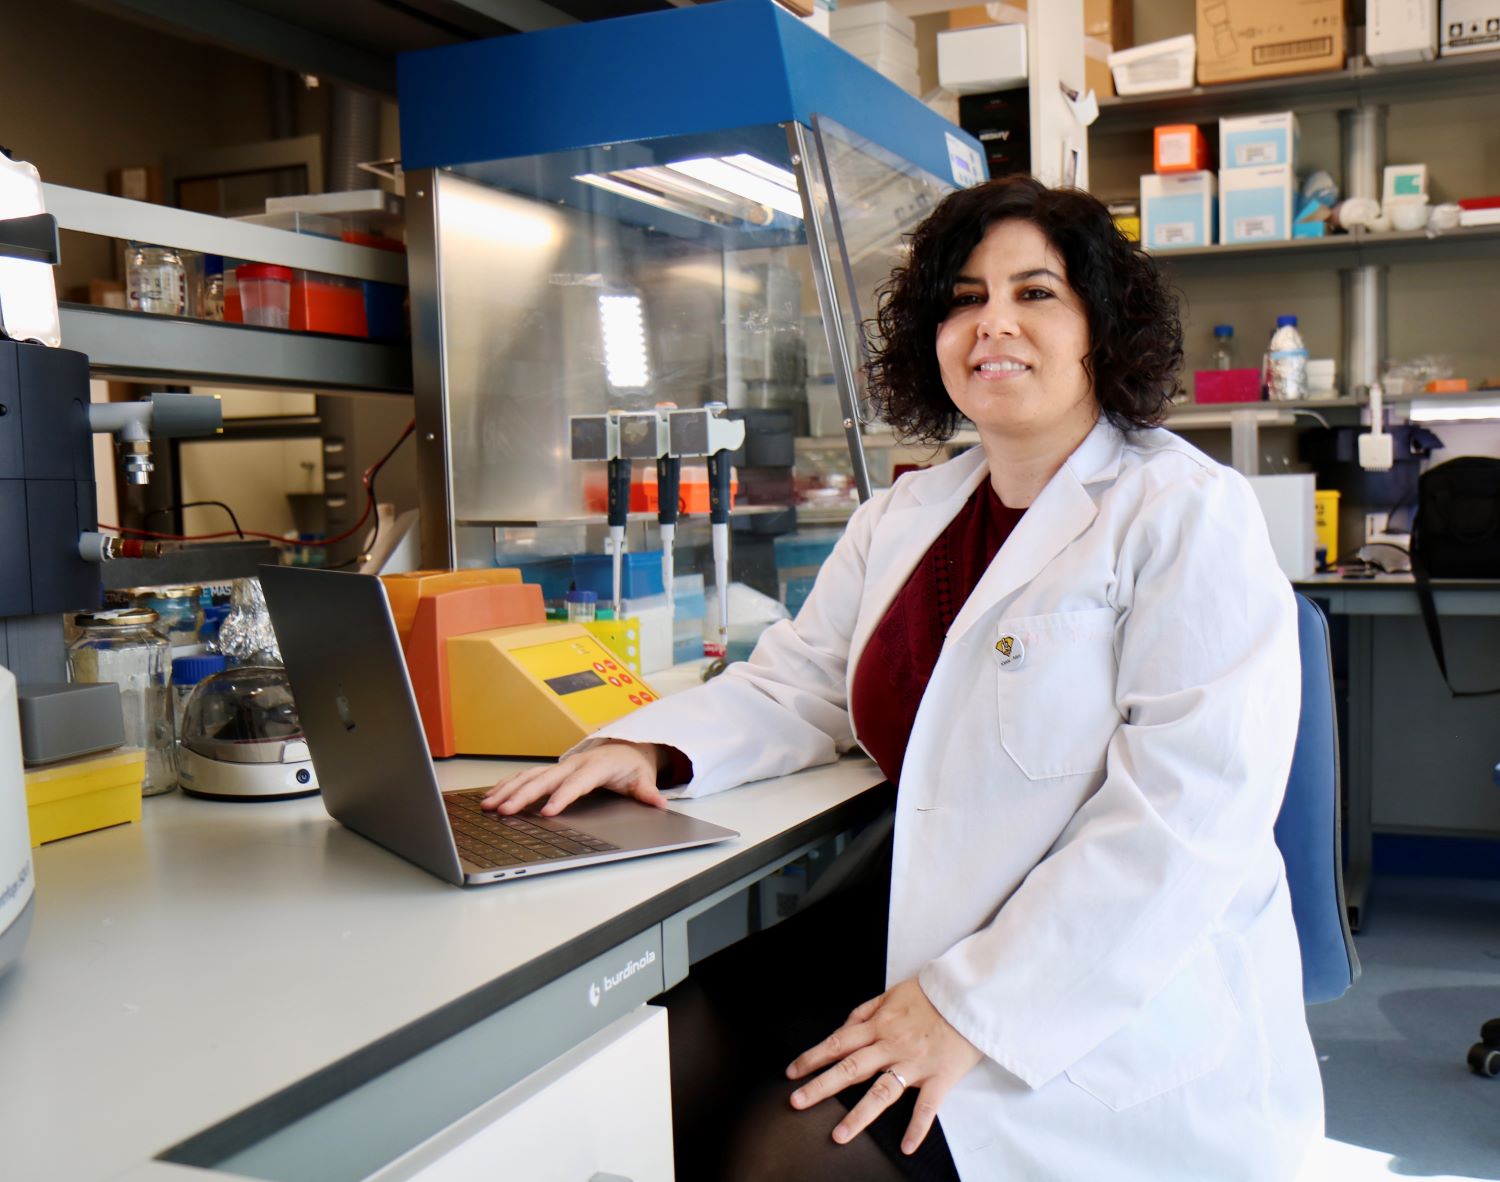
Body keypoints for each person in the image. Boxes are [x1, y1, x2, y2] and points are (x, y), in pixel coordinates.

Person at [483, 175, 1322, 1182]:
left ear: (1102, 323)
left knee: (786, 1155)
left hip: (1092, 975)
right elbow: (800, 683)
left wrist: (970, 1008)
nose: (992, 324)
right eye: (965, 298)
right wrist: (649, 746)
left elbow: (1186, 821)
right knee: (664, 1058)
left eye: (1035, 293)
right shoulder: (910, 515)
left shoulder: (1183, 513)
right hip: (914, 919)